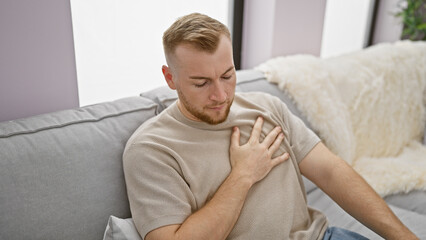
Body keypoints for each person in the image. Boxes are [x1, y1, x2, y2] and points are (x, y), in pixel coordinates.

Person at [123, 13, 418, 240]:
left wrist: (404, 237)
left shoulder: (265, 106)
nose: (221, 95)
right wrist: (243, 174)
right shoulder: (151, 149)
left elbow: (331, 171)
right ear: (170, 78)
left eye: (227, 75)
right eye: (201, 83)